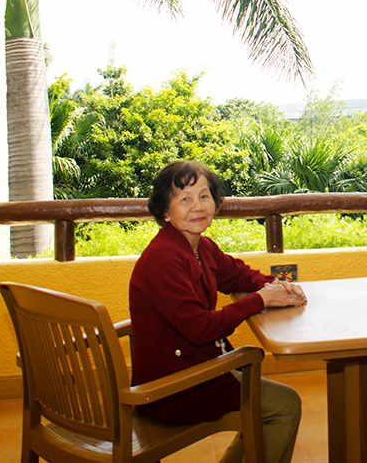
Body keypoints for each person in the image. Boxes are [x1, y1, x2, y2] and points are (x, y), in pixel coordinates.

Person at [129, 160, 307, 463]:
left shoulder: (199, 247)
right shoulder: (164, 258)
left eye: (204, 196)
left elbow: (237, 275)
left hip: (199, 367)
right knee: (284, 405)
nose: (197, 206)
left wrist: (277, 286)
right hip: (175, 387)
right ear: (164, 211)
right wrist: (260, 300)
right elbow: (200, 328)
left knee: (269, 406)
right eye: (184, 198)